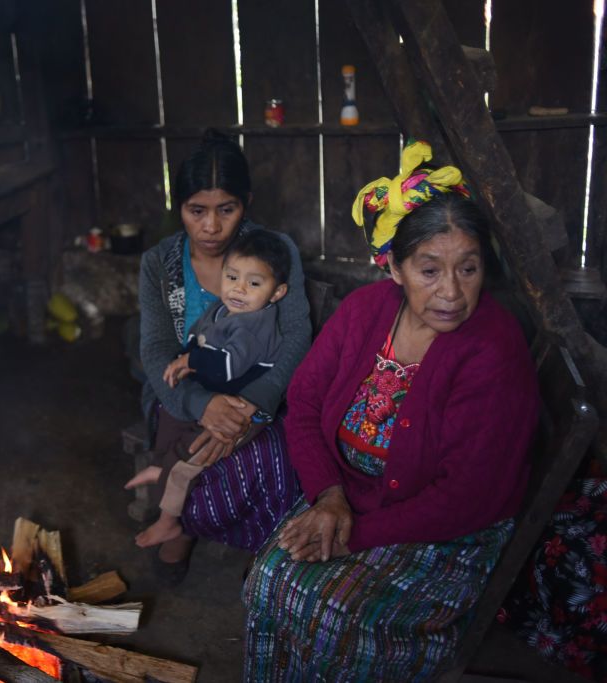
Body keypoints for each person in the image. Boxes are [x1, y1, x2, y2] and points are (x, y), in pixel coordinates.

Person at [242, 141, 540, 681]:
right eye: (430, 270)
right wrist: (331, 498)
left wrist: (353, 533)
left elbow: (464, 500)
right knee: (268, 580)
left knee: (327, 609)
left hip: (447, 535)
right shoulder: (365, 311)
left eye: (468, 269)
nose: (452, 292)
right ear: (395, 268)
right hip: (351, 499)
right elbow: (305, 399)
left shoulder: (492, 351)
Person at [136, 130, 312, 581]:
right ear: (180, 207)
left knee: (265, 458)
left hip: (259, 389)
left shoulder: (272, 253)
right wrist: (204, 404)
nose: (211, 227)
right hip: (183, 390)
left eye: (226, 210)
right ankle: (180, 532)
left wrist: (253, 405)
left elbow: (295, 337)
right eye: (197, 211)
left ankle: (265, 566)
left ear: (246, 203)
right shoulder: (159, 264)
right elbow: (157, 350)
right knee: (193, 441)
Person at [127, 230, 291, 549]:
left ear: (277, 292)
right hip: (217, 392)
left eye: (254, 284)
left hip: (243, 411)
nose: (239, 289)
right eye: (232, 277)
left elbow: (227, 365)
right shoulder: (223, 308)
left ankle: (168, 523)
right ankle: (162, 469)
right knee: (170, 418)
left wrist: (191, 360)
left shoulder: (254, 325)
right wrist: (185, 354)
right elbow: (198, 335)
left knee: (193, 456)